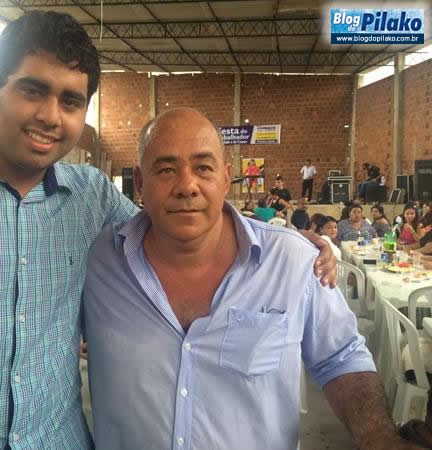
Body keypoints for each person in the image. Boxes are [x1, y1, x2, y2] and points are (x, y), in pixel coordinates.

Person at [0, 12, 338, 450]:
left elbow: (177, 218)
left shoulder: (91, 197)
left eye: (71, 101)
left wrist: (284, 238)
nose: (51, 116)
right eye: (33, 91)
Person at [83, 108, 418, 450]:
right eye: (166, 169)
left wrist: (379, 437)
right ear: (140, 183)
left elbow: (341, 356)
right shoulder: (98, 261)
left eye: (203, 168)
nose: (186, 186)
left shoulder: (292, 262)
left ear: (226, 178)